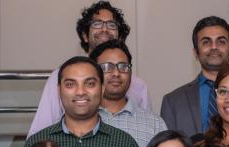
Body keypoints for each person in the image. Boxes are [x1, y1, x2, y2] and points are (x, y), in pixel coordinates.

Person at [29, 1, 151, 136]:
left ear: (120, 37)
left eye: (112, 25)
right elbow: (40, 131)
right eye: (97, 24)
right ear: (85, 36)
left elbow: (148, 129)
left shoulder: (138, 85)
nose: (104, 29)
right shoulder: (61, 76)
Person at [160, 16, 229, 139]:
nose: (214, 47)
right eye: (206, 42)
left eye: (221, 41)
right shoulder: (173, 101)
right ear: (195, 52)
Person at [89, 40, 167, 147]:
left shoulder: (154, 124)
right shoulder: (80, 119)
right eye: (107, 67)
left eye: (123, 66)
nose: (116, 73)